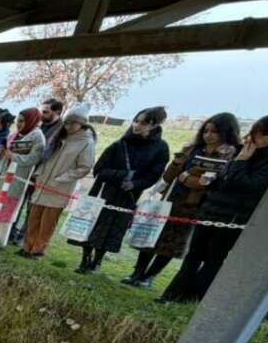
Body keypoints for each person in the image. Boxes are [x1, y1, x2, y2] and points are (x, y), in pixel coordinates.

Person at [162, 115, 268, 302]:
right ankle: (173, 294)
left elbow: (249, 185)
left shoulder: (263, 161)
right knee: (193, 255)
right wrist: (212, 179)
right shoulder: (242, 152)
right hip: (211, 210)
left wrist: (241, 162)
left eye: (258, 134)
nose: (252, 139)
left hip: (234, 217)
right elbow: (221, 178)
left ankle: (194, 298)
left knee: (214, 259)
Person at [125, 113, 240, 288]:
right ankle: (137, 272)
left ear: (226, 133)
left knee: (173, 243)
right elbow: (170, 175)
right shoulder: (192, 149)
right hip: (171, 198)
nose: (208, 135)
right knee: (152, 235)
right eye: (206, 131)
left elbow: (208, 183)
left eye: (214, 132)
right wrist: (179, 165)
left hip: (194, 204)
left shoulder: (229, 154)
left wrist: (188, 177)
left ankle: (149, 276)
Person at [72, 107, 170, 274]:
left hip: (128, 196)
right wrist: (123, 175)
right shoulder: (121, 143)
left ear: (153, 126)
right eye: (136, 121)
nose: (137, 125)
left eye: (143, 122)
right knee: (92, 225)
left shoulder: (160, 148)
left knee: (112, 230)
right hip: (105, 191)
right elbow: (99, 169)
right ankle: (85, 259)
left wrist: (136, 183)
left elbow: (154, 175)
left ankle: (97, 261)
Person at [19, 104, 96, 258]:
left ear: (82, 123)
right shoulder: (59, 137)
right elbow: (46, 158)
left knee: (47, 222)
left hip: (59, 189)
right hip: (42, 184)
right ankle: (27, 247)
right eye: (66, 122)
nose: (68, 126)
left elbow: (84, 167)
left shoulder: (86, 142)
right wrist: (39, 173)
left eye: (72, 123)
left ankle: (38, 250)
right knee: (33, 218)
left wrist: (62, 179)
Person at [0, 108, 46, 246]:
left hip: (16, 179)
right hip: (2, 174)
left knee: (6, 207)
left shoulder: (37, 137)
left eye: (22, 121)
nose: (18, 124)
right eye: (17, 121)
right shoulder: (15, 134)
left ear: (31, 120)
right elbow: (6, 151)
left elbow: (34, 158)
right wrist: (0, 152)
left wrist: (13, 156)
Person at [10, 98, 65, 244]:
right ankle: (12, 231)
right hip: (25, 170)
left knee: (32, 207)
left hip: (41, 173)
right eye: (41, 111)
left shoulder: (60, 130)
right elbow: (26, 146)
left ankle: (24, 237)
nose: (42, 114)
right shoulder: (39, 126)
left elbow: (47, 152)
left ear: (57, 112)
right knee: (19, 201)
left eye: (46, 112)